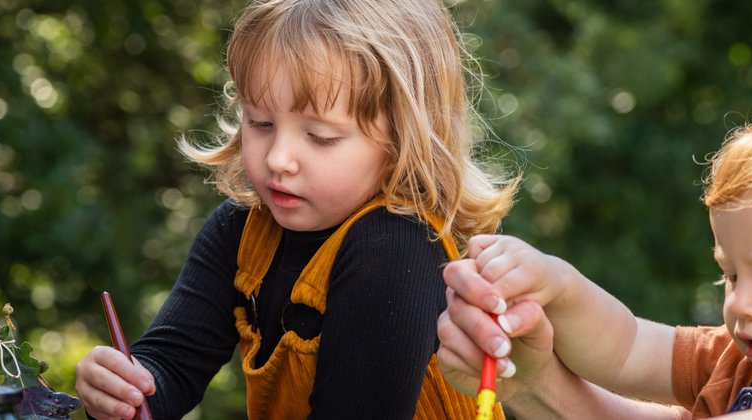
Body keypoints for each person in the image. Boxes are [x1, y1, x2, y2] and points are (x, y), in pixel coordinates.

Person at [437, 0, 752, 418]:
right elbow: (630, 346)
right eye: (731, 277)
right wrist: (553, 290)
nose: (740, 305)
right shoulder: (740, 361)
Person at [74, 0, 517, 418]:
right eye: (260, 122)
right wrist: (124, 387)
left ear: (404, 141)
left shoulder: (398, 246)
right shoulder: (240, 229)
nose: (277, 159)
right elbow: (171, 366)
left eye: (321, 136)